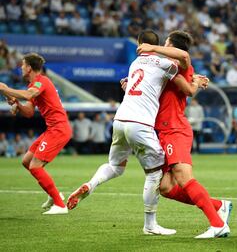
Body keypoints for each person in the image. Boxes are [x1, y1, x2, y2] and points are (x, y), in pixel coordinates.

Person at [66, 30, 208, 235]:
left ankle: (91, 184)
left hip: (120, 120)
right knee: (155, 174)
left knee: (115, 166)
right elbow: (186, 84)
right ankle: (150, 224)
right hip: (140, 123)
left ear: (140, 45)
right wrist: (195, 80)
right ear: (157, 45)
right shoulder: (164, 64)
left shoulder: (134, 65)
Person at [136, 30, 232, 239]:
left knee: (183, 177)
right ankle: (218, 206)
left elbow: (186, 68)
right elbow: (184, 86)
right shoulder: (168, 68)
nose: (163, 46)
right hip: (162, 131)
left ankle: (217, 224)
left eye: (166, 44)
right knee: (166, 187)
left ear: (173, 46)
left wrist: (152, 47)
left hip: (175, 129)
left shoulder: (181, 63)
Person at [0, 53, 72, 215]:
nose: (21, 67)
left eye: (23, 65)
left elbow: (29, 95)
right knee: (26, 161)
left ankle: (60, 205)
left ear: (30, 68)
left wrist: (5, 89)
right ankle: (53, 196)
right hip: (52, 129)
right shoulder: (34, 85)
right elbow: (29, 113)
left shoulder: (41, 81)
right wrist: (17, 103)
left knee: (35, 166)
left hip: (59, 129)